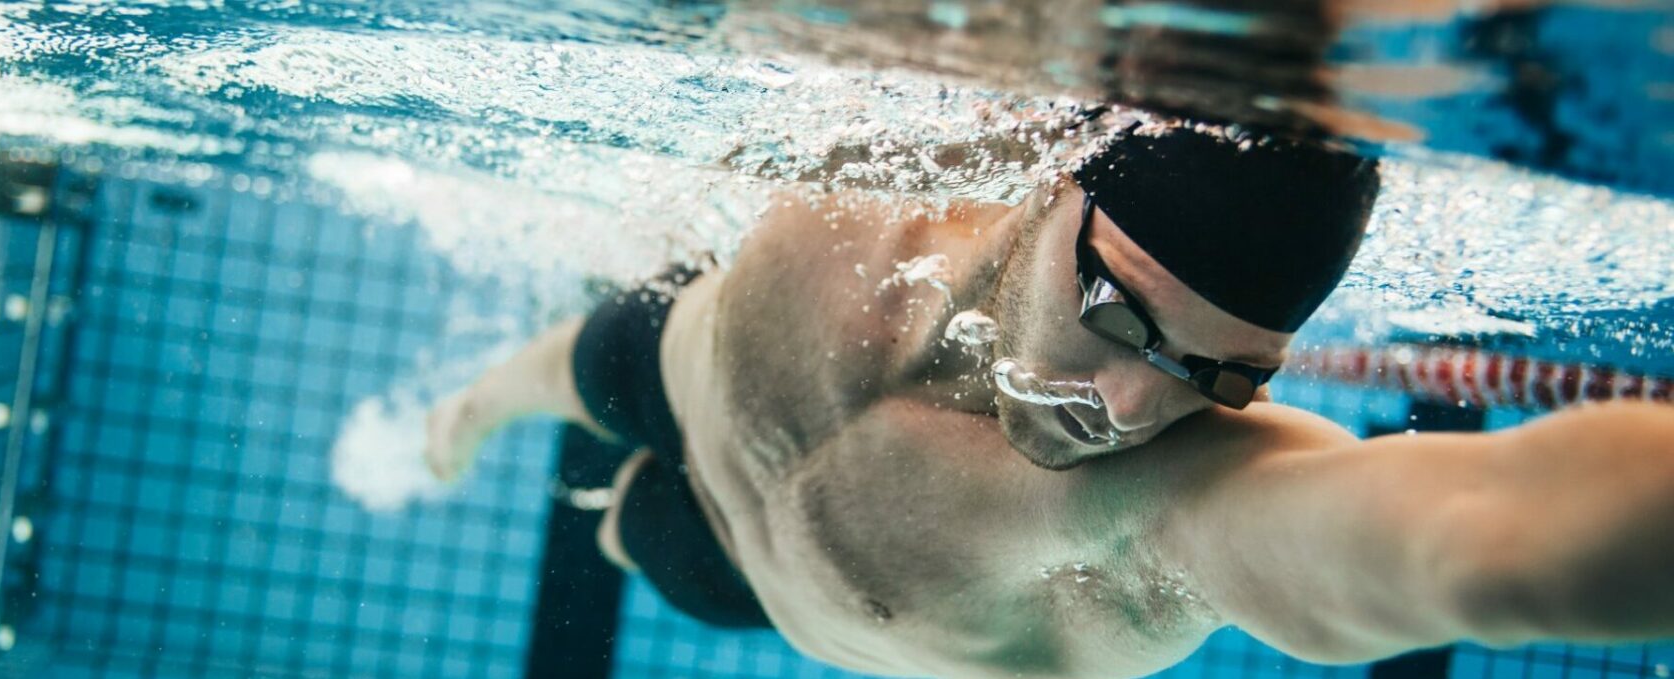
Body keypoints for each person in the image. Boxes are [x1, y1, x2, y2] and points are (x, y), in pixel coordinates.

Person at [422, 124, 1674, 678]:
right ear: (1056, 184)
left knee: (628, 529)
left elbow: (1479, 538)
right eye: (1123, 314)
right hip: (677, 363)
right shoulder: (884, 158)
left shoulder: (1154, 518)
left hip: (749, 584)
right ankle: (466, 418)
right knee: (569, 368)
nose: (1131, 404)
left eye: (1217, 375)